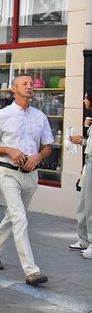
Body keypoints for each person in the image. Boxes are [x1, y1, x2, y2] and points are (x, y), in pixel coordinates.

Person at [0, 74, 53, 286]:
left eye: (32, 84)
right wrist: (9, 150)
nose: (30, 86)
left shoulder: (40, 116)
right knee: (20, 218)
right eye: (25, 84)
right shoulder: (2, 115)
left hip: (31, 173)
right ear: (14, 89)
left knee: (13, 215)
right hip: (8, 171)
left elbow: (48, 146)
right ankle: (31, 271)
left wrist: (38, 157)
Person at [68, 88, 92, 258]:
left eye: (86, 98)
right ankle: (83, 239)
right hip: (88, 164)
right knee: (83, 203)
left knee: (90, 206)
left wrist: (81, 141)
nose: (84, 101)